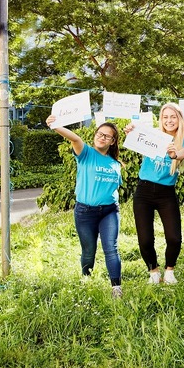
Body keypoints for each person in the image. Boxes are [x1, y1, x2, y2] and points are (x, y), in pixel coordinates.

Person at [46, 115, 123, 298]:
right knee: (88, 251)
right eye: (99, 133)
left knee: (111, 248)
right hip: (85, 212)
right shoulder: (86, 153)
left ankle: (116, 288)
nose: (101, 137)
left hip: (109, 211)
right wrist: (55, 125)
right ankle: (86, 280)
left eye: (107, 136)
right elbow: (75, 138)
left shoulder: (115, 164)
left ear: (113, 142)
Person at [125, 103, 184, 285]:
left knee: (174, 237)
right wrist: (131, 132)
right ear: (161, 119)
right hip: (144, 190)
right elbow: (135, 137)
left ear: (179, 119)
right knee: (145, 238)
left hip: (166, 193)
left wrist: (175, 154)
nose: (169, 120)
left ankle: (169, 271)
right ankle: (153, 271)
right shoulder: (153, 135)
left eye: (173, 117)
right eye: (165, 117)